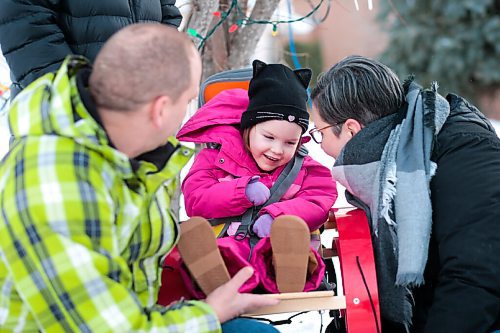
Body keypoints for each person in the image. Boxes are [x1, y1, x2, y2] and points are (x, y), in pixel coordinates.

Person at [0, 24, 280, 332]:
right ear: (160, 109)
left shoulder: (130, 154)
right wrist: (209, 313)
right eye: (186, 101)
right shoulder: (52, 178)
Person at [310, 55, 500, 332]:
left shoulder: (464, 153)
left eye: (321, 132)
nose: (322, 146)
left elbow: (476, 278)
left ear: (351, 129)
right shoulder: (389, 166)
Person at [175, 60, 338, 298]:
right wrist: (240, 192)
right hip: (232, 251)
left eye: (290, 143)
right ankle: (213, 278)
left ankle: (290, 276)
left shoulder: (306, 169)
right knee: (219, 247)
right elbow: (195, 198)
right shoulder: (215, 159)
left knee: (289, 242)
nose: (277, 150)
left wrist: (278, 215)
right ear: (248, 128)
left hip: (279, 254)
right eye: (269, 137)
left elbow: (318, 201)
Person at [0, 0, 182, 98]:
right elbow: (23, 21)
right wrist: (75, 92)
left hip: (141, 110)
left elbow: (168, 13)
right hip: (67, 113)